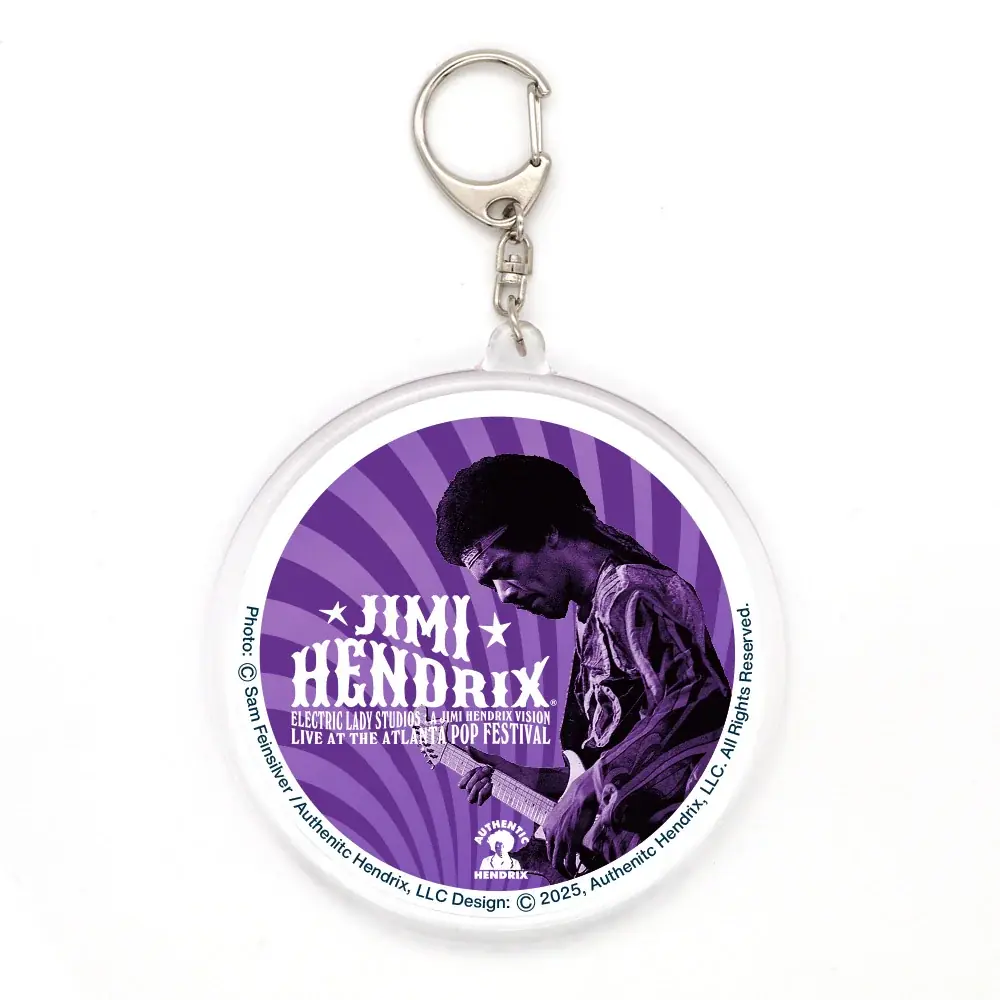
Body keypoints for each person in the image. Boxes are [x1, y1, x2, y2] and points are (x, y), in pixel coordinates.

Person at [435, 454, 732, 879]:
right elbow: (604, 761)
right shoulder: (589, 611)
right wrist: (508, 773)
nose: (503, 594)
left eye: (504, 569)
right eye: (489, 584)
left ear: (549, 530)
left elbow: (701, 702)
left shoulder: (631, 592)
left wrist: (590, 787)